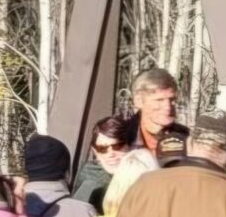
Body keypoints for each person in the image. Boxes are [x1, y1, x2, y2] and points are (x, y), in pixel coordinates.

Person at [72, 70, 180, 204]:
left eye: (172, 100)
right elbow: (95, 175)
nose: (168, 107)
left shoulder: (186, 143)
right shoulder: (119, 137)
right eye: (159, 100)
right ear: (139, 101)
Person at [74, 115, 133, 209]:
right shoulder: (90, 184)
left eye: (117, 146)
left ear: (130, 146)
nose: (110, 154)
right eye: (102, 149)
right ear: (95, 152)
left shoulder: (140, 174)